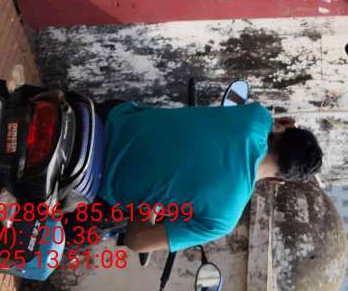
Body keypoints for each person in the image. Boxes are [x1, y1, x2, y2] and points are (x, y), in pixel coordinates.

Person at [98, 100, 323, 254]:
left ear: (283, 128)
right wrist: (151, 202)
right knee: (91, 229)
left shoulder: (256, 115)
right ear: (277, 180)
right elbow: (136, 241)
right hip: (100, 183)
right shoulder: (224, 218)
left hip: (109, 120)